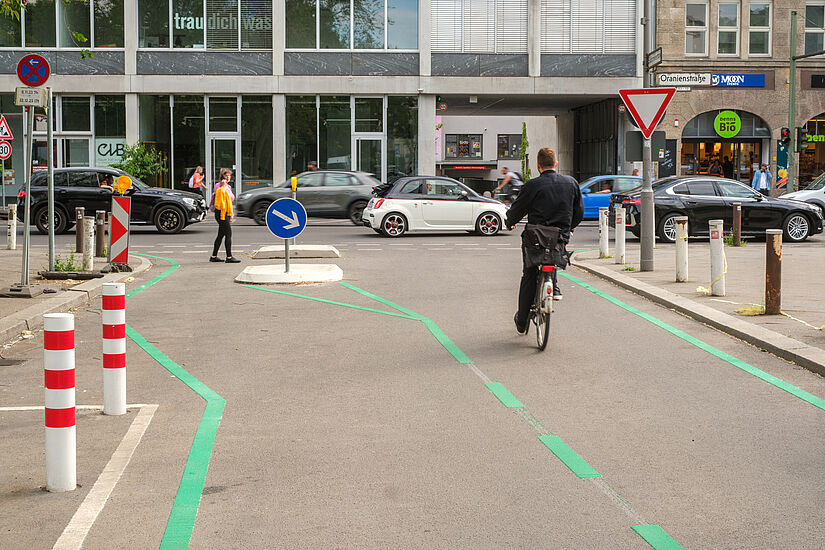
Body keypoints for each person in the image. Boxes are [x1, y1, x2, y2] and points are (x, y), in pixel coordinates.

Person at [505, 147, 583, 335]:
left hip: (535, 238)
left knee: (529, 273)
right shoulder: (571, 183)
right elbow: (579, 211)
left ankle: (522, 320)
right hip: (559, 236)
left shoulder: (532, 185)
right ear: (556, 164)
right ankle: (554, 287)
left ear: (538, 165)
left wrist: (510, 222)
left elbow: (517, 209)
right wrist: (569, 227)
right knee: (553, 257)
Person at [210, 168, 240, 263]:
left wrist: (231, 214)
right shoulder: (218, 186)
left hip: (227, 212)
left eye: (229, 176)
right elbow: (220, 198)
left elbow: (230, 201)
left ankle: (213, 256)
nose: (228, 177)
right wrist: (223, 186)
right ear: (222, 176)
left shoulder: (229, 187)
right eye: (226, 176)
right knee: (228, 234)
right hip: (220, 213)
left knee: (221, 235)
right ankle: (229, 257)